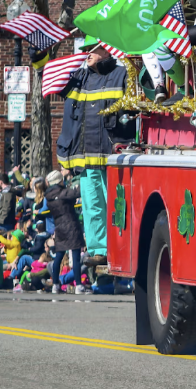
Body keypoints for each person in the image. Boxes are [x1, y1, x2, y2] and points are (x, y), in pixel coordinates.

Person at [56, 41, 129, 268]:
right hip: (86, 160)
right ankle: (99, 250)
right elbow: (55, 85)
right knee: (92, 207)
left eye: (92, 49)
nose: (86, 53)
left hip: (111, 157)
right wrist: (40, 60)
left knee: (115, 206)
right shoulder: (79, 78)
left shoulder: (122, 75)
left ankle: (120, 248)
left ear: (107, 49)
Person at [44, 170, 84, 294]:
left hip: (59, 227)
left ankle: (55, 284)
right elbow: (78, 192)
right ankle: (78, 285)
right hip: (71, 225)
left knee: (59, 256)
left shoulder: (48, 197)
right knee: (76, 256)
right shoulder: (64, 193)